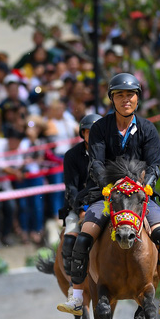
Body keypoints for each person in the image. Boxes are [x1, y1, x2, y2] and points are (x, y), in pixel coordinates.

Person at [58, 73, 160, 315]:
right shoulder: (99, 128)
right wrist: (107, 185)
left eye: (130, 95)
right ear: (112, 99)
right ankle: (76, 297)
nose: (125, 99)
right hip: (105, 195)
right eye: (120, 95)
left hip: (139, 196)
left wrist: (146, 185)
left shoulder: (148, 129)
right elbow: (95, 163)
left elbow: (155, 165)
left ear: (137, 99)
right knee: (83, 238)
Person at [59, 113, 102, 275]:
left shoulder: (111, 153)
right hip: (78, 204)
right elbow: (71, 188)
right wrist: (81, 209)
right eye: (90, 132)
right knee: (70, 238)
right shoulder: (71, 155)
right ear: (82, 133)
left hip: (105, 203)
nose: (94, 136)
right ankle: (73, 284)